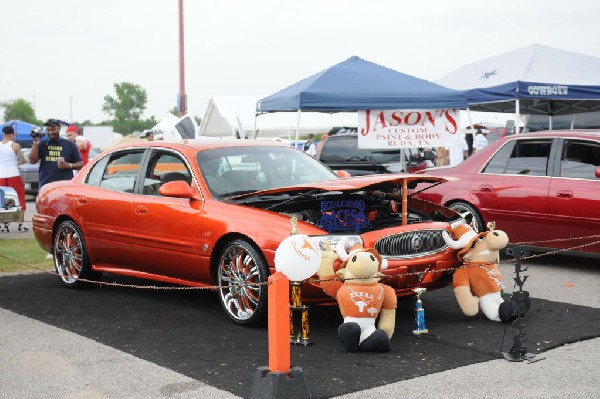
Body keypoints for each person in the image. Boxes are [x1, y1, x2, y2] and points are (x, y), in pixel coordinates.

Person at [29, 119, 82, 189]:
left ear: (59, 128)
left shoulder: (69, 144)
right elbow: (32, 161)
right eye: (48, 130)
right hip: (46, 186)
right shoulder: (42, 144)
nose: (50, 132)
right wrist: (35, 142)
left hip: (65, 186)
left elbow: (80, 164)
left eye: (53, 129)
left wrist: (68, 165)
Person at [0, 125, 28, 232]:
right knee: (19, 199)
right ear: (12, 134)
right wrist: (15, 162)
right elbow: (22, 160)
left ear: (3, 134)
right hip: (13, 175)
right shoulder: (15, 145)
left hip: (1, 176)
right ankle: (21, 224)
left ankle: (4, 225)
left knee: (2, 201)